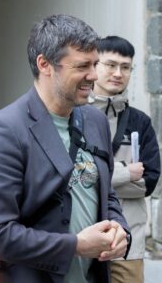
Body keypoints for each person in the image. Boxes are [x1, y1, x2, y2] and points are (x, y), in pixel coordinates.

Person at [0, 14, 130, 282]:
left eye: (95, 64)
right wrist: (74, 246)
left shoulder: (95, 120)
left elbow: (105, 193)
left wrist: (120, 230)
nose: (93, 75)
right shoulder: (3, 131)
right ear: (45, 64)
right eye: (82, 66)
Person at [88, 36, 160, 282]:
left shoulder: (140, 122)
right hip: (82, 235)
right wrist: (125, 173)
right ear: (94, 66)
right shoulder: (75, 115)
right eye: (111, 65)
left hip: (128, 241)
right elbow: (69, 175)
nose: (118, 73)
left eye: (125, 67)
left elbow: (149, 182)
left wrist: (94, 178)